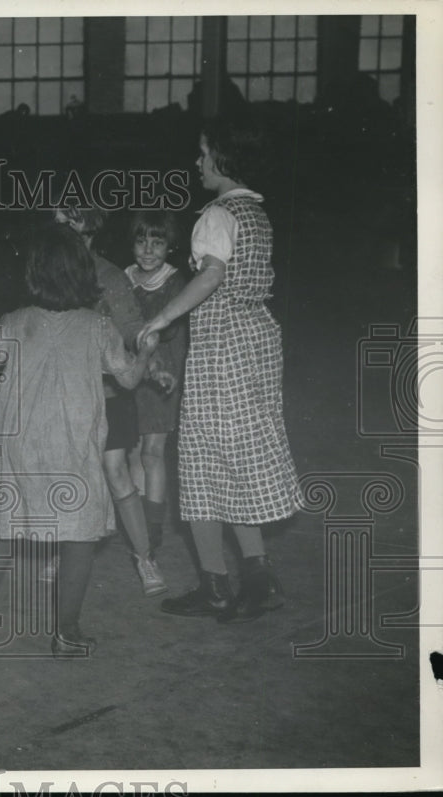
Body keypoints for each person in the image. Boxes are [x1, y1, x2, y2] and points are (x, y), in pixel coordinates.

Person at [0, 224, 163, 657]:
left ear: (34, 275)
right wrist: (144, 351)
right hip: (73, 449)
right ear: (82, 275)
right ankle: (67, 632)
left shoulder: (14, 322)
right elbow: (127, 380)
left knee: (1, 528)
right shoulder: (98, 327)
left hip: (17, 448)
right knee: (78, 538)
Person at [138, 118, 303, 624]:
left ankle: (215, 585)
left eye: (204, 152)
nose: (198, 162)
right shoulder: (255, 211)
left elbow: (212, 274)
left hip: (222, 346)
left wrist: (164, 317)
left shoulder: (216, 214)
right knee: (238, 460)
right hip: (256, 341)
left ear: (223, 158)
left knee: (202, 462)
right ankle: (259, 578)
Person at [53, 204, 172, 596]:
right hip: (66, 392)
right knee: (68, 474)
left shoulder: (108, 276)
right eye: (56, 223)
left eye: (69, 222)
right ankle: (60, 554)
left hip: (108, 394)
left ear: (88, 227)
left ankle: (144, 557)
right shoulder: (47, 270)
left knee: (117, 471)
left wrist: (152, 367)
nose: (61, 229)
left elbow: (135, 330)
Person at [124, 211, 188, 559]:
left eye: (157, 242)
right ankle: (137, 524)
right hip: (134, 371)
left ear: (169, 247)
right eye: (141, 241)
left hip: (164, 370)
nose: (148, 250)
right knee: (133, 449)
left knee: (153, 452)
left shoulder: (175, 281)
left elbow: (172, 328)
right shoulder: (124, 277)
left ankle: (154, 527)